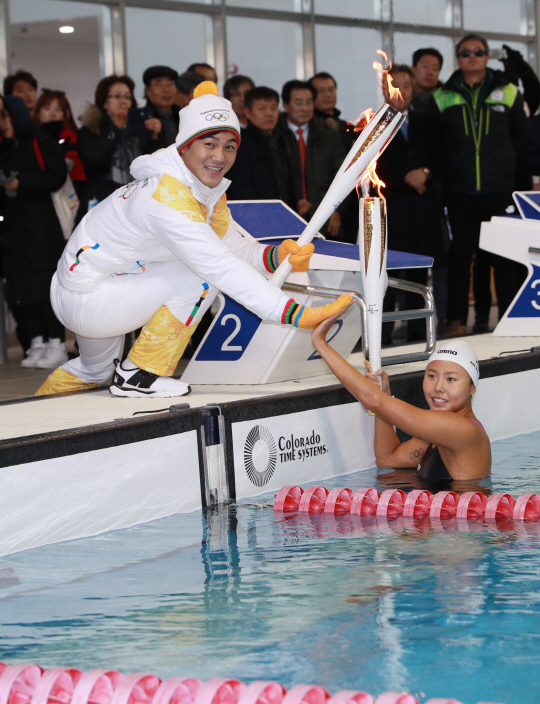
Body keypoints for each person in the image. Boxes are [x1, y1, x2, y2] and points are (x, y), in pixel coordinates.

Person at [35, 82, 350, 398]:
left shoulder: (204, 189)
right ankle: (139, 373)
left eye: (230, 146)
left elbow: (230, 245)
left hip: (95, 282)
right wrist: (295, 313)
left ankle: (34, 423)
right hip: (88, 296)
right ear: (184, 146)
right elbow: (220, 266)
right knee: (201, 275)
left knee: (95, 370)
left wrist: (274, 257)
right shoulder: (167, 196)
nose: (220, 156)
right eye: (209, 144)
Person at [427, 33, 529, 336]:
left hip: (500, 190)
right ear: (458, 58)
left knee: (504, 258)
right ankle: (457, 321)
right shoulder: (443, 96)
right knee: (460, 258)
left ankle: (510, 319)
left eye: (479, 52)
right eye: (466, 52)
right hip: (460, 192)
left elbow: (520, 141)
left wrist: (516, 184)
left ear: (487, 57)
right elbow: (437, 146)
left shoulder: (508, 91)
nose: (472, 57)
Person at [311, 317, 491, 483]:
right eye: (431, 376)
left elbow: (372, 401)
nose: (438, 387)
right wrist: (385, 395)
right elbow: (387, 457)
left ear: (472, 387)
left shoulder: (464, 431)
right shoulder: (441, 435)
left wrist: (321, 343)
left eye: (451, 379)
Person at [375, 65, 447, 342]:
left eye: (407, 84)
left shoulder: (428, 123)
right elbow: (370, 167)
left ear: (413, 89)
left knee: (418, 274)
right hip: (389, 209)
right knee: (386, 276)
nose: (401, 90)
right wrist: (406, 178)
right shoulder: (373, 124)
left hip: (421, 209)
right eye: (395, 84)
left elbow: (442, 157)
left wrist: (425, 173)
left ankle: (419, 333)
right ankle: (380, 336)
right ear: (384, 88)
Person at [0, 94, 69, 368]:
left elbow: (56, 176)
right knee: (20, 287)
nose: (2, 122)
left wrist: (22, 183)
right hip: (13, 231)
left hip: (42, 227)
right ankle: (37, 342)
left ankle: (57, 343)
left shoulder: (40, 141)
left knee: (44, 285)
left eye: (5, 115)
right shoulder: (4, 147)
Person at [77, 74, 158, 205]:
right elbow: (96, 161)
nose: (124, 101)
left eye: (127, 97)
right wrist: (114, 129)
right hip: (102, 200)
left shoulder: (138, 129)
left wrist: (154, 136)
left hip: (137, 199)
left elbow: (152, 165)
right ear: (104, 102)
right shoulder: (90, 130)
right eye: (117, 96)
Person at [279, 79, 345, 237]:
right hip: (287, 219)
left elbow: (343, 175)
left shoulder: (328, 135)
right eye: (298, 102)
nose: (304, 108)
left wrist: (337, 210)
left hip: (325, 219)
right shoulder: (277, 136)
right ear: (286, 105)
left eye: (309, 102)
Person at [226, 86, 294, 205]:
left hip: (284, 209)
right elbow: (239, 186)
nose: (269, 113)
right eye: (262, 109)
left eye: (273, 108)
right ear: (247, 112)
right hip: (256, 211)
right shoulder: (240, 143)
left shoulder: (284, 138)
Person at [34, 89, 87, 200]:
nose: (52, 114)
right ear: (38, 112)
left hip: (72, 193)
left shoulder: (73, 138)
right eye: (47, 108)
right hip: (39, 194)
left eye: (58, 110)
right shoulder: (31, 138)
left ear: (66, 114)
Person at [135, 65, 179, 148]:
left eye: (170, 84)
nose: (166, 90)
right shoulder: (142, 119)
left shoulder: (182, 114)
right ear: (147, 90)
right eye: (159, 84)